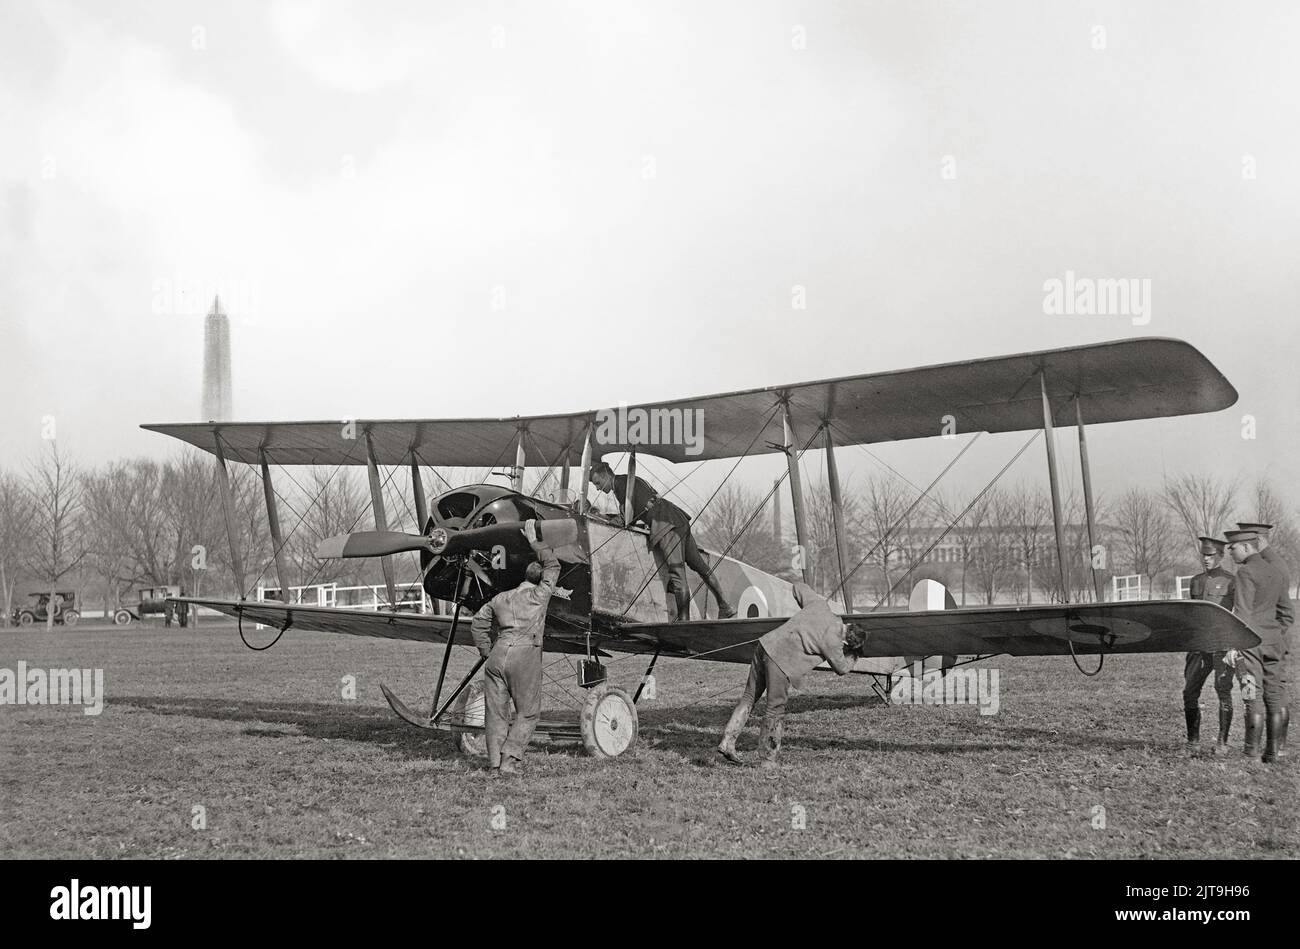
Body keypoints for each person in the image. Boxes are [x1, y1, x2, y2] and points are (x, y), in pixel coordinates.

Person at [717, 582, 865, 768]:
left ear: (848, 624)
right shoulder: (834, 643)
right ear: (846, 641)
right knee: (775, 709)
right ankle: (768, 760)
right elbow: (842, 668)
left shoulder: (820, 606)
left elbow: (798, 587)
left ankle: (727, 741)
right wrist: (854, 655)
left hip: (765, 644)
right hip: (781, 662)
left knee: (749, 697)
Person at [588, 460, 736, 621]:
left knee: (677, 572)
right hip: (676, 518)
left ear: (606, 475)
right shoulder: (626, 481)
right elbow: (631, 512)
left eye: (598, 483)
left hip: (665, 524)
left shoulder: (622, 485)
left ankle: (684, 620)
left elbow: (625, 519)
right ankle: (725, 606)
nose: (598, 488)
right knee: (698, 564)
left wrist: (601, 518)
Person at [469, 520, 560, 775]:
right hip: (524, 654)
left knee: (496, 713)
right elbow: (554, 564)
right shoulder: (540, 595)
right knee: (528, 713)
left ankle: (495, 763)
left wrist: (486, 650)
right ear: (540, 579)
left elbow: (478, 622)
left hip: (497, 655)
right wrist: (534, 541)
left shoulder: (501, 598)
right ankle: (510, 760)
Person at [1224, 528, 1293, 763]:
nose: (1230, 553)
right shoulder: (1276, 571)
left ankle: (1251, 753)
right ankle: (1274, 753)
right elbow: (1287, 614)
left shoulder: (1245, 572)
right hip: (1274, 643)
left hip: (1250, 644)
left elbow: (1241, 615)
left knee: (1251, 696)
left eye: (1232, 548)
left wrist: (1234, 647)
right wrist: (1273, 635)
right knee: (1275, 695)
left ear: (1246, 547)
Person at [1182, 537, 1235, 754]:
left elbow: (1237, 614)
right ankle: (1193, 741)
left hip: (1222, 645)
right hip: (1199, 646)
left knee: (1223, 691)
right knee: (1189, 692)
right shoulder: (1195, 581)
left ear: (1220, 556)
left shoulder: (1232, 581)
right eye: (1204, 555)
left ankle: (1222, 743)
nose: (1206, 559)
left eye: (1211, 556)